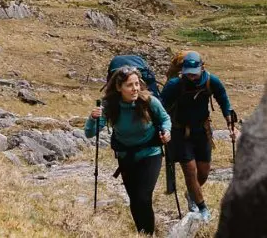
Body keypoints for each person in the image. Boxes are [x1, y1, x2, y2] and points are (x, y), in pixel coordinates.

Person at [85, 65, 172, 235]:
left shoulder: (149, 101)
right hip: (126, 156)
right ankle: (142, 232)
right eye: (129, 85)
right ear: (119, 88)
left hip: (150, 153)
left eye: (137, 84)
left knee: (143, 197)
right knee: (135, 199)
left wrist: (166, 132)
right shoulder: (110, 106)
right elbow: (90, 133)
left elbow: (165, 119)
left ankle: (148, 234)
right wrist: (92, 118)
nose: (135, 89)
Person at [160, 50, 234, 222]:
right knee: (190, 171)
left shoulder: (210, 81)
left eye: (194, 74)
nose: (191, 77)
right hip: (180, 132)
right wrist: (162, 128)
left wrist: (230, 122)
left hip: (202, 132)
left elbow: (223, 99)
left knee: (204, 172)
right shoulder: (174, 84)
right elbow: (161, 107)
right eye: (188, 74)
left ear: (202, 68)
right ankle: (202, 208)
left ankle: (191, 194)